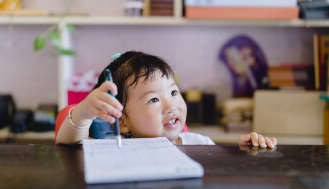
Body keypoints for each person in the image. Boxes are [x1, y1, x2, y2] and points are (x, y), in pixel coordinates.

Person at [55, 51, 277, 148]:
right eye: (153, 100)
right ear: (122, 122)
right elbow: (69, 143)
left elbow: (218, 177)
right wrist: (84, 112)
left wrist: (244, 153)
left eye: (173, 92)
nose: (172, 105)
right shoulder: (114, 147)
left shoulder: (200, 145)